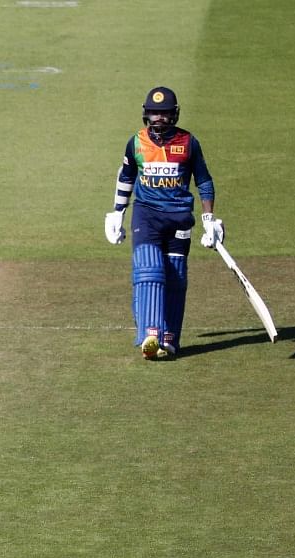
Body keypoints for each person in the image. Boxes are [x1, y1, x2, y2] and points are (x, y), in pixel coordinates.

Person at [105, 86, 224, 359]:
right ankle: (150, 333)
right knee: (150, 270)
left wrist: (209, 220)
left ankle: (169, 339)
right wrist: (117, 212)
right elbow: (126, 177)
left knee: (176, 277)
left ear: (174, 115)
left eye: (164, 113)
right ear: (146, 114)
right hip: (147, 215)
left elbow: (204, 180)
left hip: (180, 216)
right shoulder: (136, 142)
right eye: (154, 113)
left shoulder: (188, 142)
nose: (158, 119)